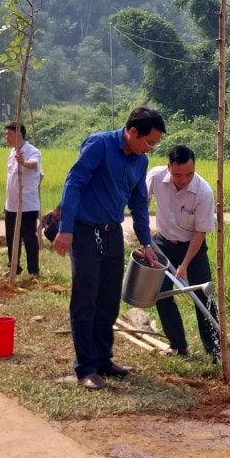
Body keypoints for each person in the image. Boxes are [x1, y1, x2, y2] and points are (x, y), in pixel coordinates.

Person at [51, 107, 165, 391]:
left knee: (109, 300)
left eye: (155, 145)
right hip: (85, 231)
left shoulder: (140, 162)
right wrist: (66, 229)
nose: (149, 149)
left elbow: (139, 204)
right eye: (148, 142)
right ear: (132, 131)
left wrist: (146, 243)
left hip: (112, 233)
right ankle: (86, 367)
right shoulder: (99, 144)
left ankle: (103, 359)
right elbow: (74, 182)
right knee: (85, 300)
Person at [147, 145, 220, 361]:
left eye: (189, 173)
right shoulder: (156, 176)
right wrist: (146, 242)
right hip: (162, 243)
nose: (184, 179)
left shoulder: (203, 191)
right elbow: (141, 204)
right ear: (169, 167)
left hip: (192, 248)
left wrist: (185, 264)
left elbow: (200, 232)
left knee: (203, 296)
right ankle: (178, 344)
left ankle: (214, 349)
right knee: (161, 294)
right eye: (178, 174)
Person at [3, 121, 43, 277]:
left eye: (9, 134)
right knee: (11, 238)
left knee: (29, 238)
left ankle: (34, 270)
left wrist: (23, 162)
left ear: (19, 134)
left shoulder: (32, 151)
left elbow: (34, 165)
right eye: (6, 134)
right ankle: (14, 267)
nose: (7, 137)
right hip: (11, 205)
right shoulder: (12, 153)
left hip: (27, 205)